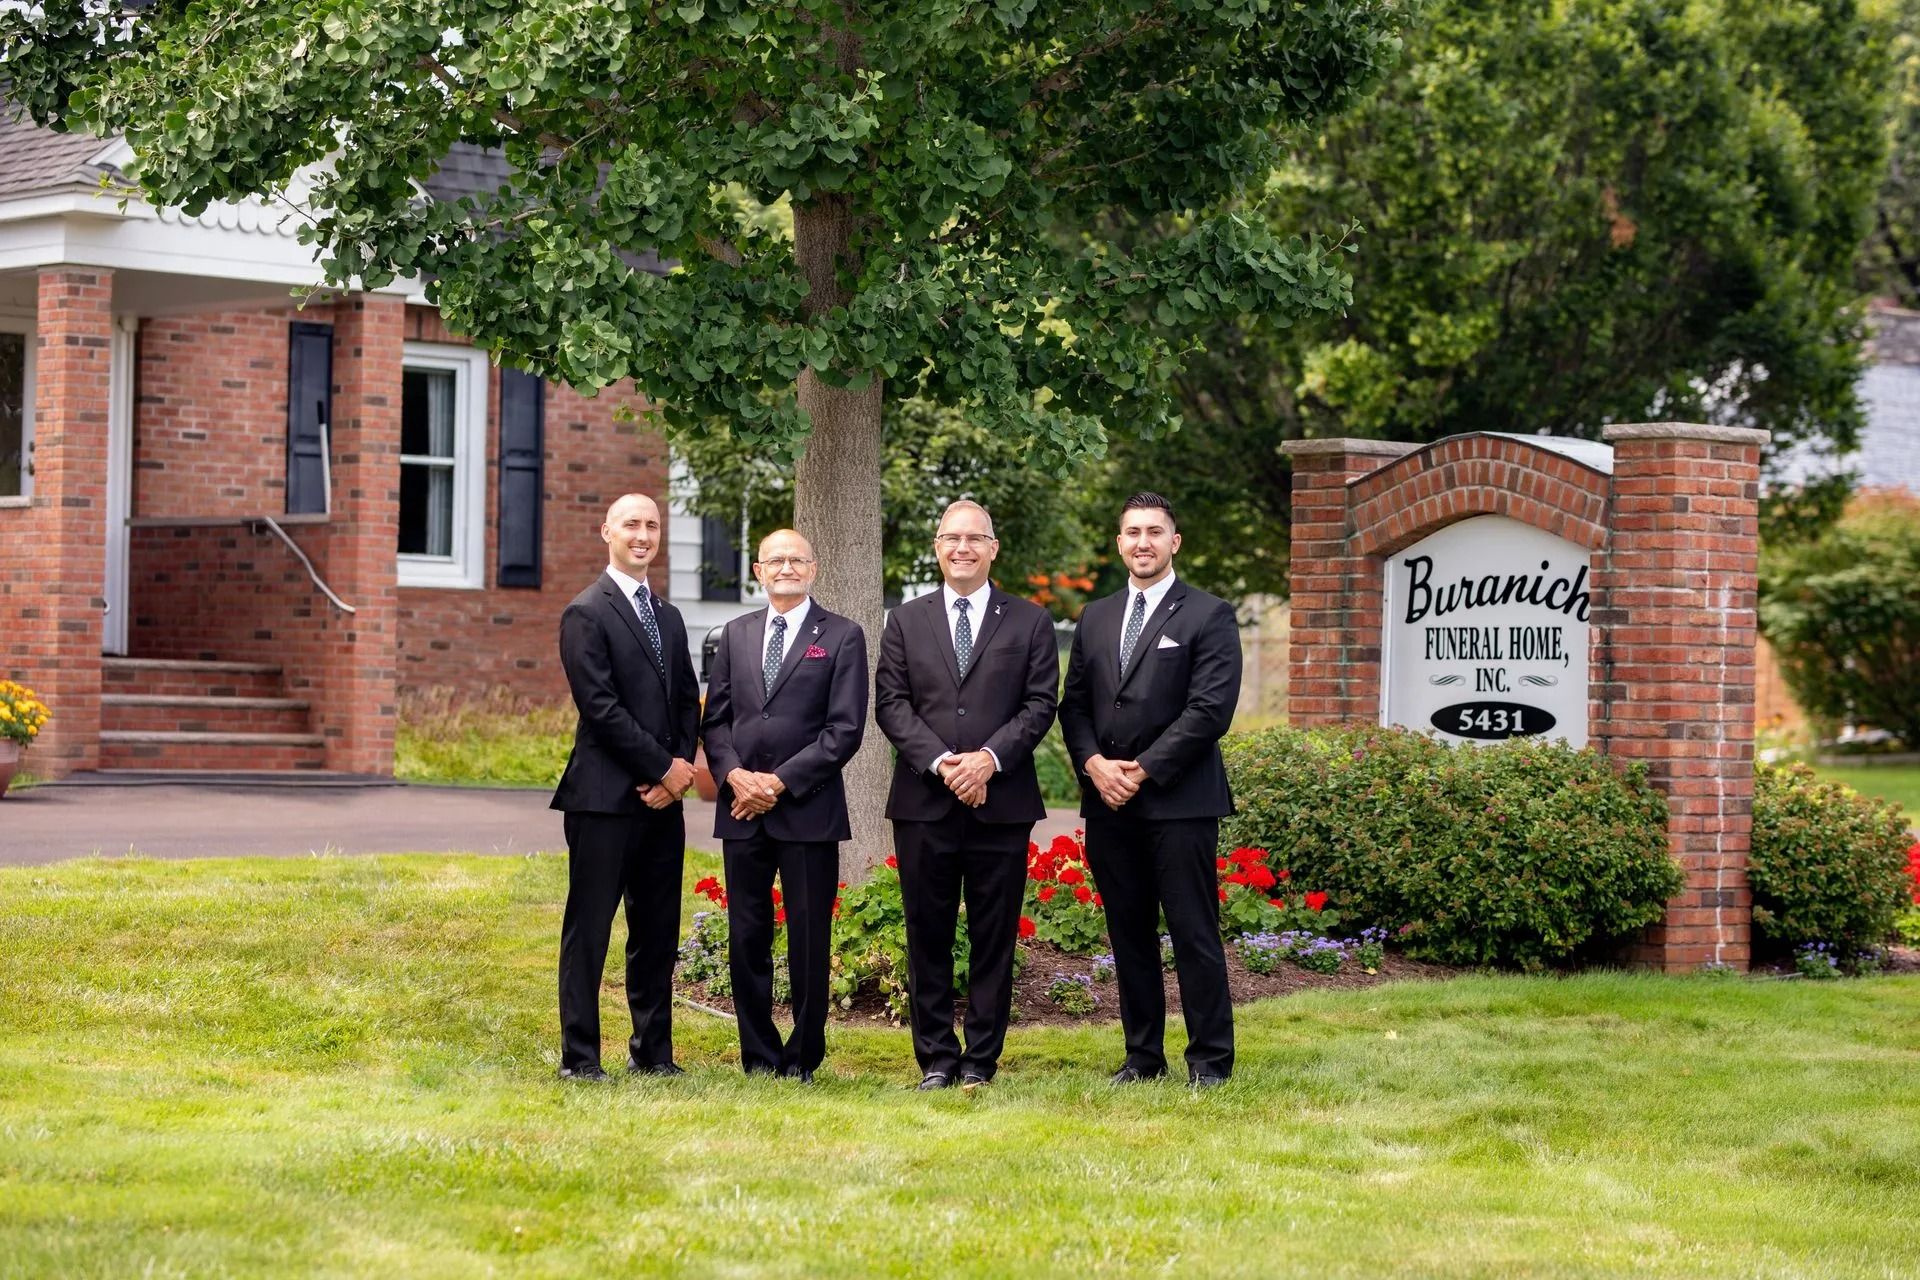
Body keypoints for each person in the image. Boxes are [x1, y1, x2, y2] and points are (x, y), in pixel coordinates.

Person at [1058, 492, 1242, 1088]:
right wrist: (1093, 764)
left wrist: (1137, 769)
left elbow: (1210, 711)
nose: (1143, 542)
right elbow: (1076, 705)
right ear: (1119, 543)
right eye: (1132, 531)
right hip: (1108, 803)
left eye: (1155, 531)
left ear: (1174, 542)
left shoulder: (1208, 614)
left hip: (1179, 802)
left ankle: (1210, 1061)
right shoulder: (1096, 617)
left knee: (1193, 932)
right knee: (1128, 933)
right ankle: (1142, 1057)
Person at [875, 500, 1060, 1092]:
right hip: (924, 802)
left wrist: (988, 761)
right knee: (925, 932)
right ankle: (935, 1056)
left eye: (975, 539)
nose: (963, 548)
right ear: (937, 546)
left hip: (1000, 804)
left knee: (994, 934)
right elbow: (892, 704)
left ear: (993, 548)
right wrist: (941, 762)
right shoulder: (904, 620)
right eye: (952, 538)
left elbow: (1039, 704)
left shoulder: (1029, 621)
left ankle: (981, 1058)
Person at [701, 529, 868, 1082]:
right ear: (758, 570)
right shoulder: (735, 634)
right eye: (776, 560)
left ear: (813, 569)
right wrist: (734, 777)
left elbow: (844, 730)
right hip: (742, 810)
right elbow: (715, 722)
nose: (786, 567)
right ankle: (759, 1056)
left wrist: (779, 782)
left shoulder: (843, 636)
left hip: (807, 810)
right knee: (747, 934)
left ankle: (802, 1057)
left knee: (808, 938)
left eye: (797, 559)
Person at [550, 493, 701, 1081]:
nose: (642, 534)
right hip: (604, 800)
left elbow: (687, 700)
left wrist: (680, 769)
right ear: (605, 531)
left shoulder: (668, 616)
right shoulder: (585, 612)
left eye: (652, 526)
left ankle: (653, 1053)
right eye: (631, 524)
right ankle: (580, 1059)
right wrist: (663, 769)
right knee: (589, 929)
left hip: (663, 804)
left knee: (657, 930)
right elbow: (601, 708)